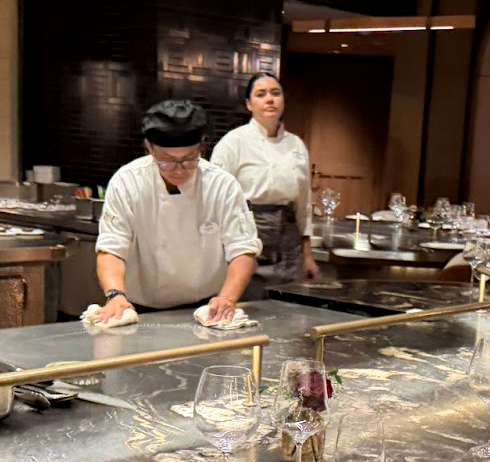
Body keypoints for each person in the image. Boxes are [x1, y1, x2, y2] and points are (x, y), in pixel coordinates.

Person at [93, 99, 260, 325]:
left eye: (189, 160)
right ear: (150, 148)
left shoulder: (222, 185)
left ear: (201, 147)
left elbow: (243, 249)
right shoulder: (127, 182)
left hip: (208, 309)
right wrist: (115, 295)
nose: (179, 170)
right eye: (167, 161)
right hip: (141, 308)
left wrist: (227, 298)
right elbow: (111, 248)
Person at [210, 71, 321, 287]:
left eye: (275, 93)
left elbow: (303, 205)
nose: (270, 99)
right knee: (247, 298)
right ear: (249, 104)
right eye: (261, 94)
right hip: (247, 234)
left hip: (288, 239)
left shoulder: (296, 145)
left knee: (287, 299)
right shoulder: (232, 142)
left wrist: (308, 255)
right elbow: (215, 200)